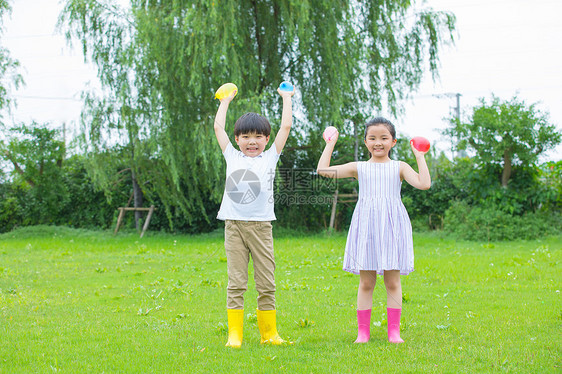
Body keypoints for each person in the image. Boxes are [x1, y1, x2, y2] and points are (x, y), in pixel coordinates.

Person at [317, 117, 431, 344]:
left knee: (393, 283)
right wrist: (330, 143)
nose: (378, 142)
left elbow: (424, 183)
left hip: (392, 226)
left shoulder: (400, 167)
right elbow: (323, 170)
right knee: (367, 282)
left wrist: (419, 156)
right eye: (372, 138)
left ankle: (394, 332)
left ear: (394, 141)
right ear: (366, 141)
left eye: (384, 138)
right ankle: (363, 333)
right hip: (367, 226)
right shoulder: (359, 167)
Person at [213, 85, 294, 348]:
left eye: (258, 136)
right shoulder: (231, 156)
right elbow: (218, 129)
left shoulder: (270, 158)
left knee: (266, 282)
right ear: (237, 139)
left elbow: (285, 129)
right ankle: (234, 335)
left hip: (261, 228)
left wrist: (286, 99)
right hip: (234, 227)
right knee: (236, 282)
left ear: (267, 140)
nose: (252, 141)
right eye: (246, 136)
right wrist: (225, 101)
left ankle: (268, 334)